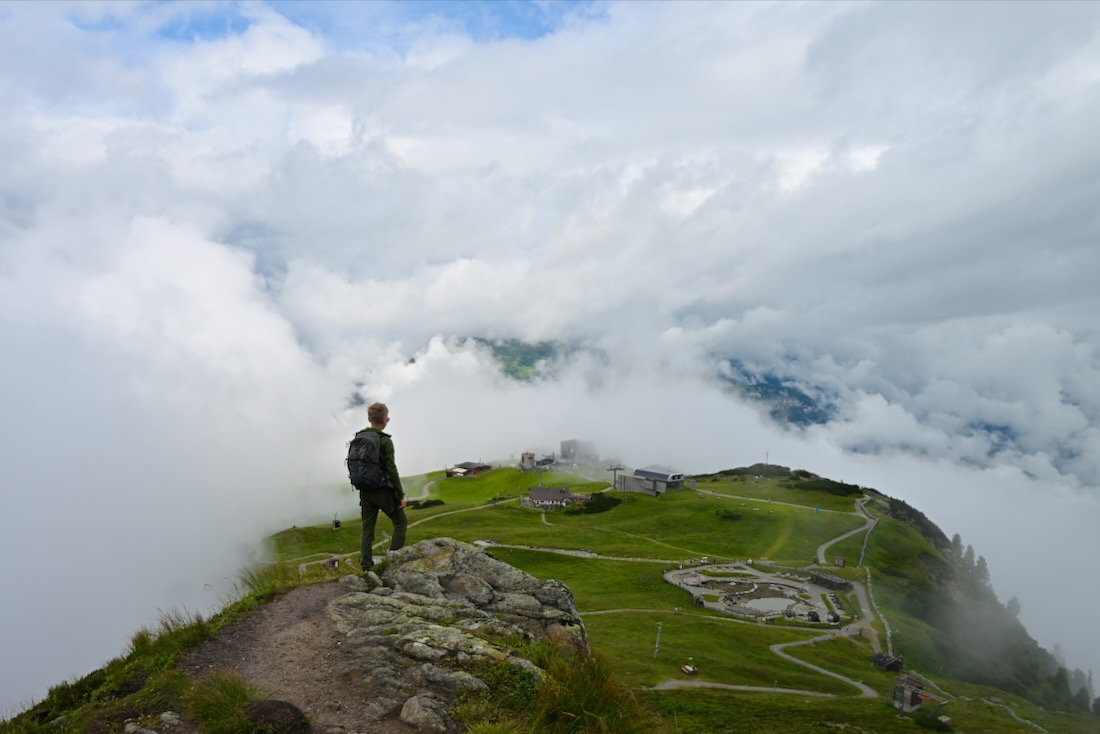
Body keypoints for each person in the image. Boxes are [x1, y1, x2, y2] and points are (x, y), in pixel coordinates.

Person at [356, 402, 408, 573]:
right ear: (385, 420)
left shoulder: (359, 438)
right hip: (382, 490)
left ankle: (366, 568)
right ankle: (393, 563)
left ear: (369, 419)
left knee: (367, 528)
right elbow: (391, 468)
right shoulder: (384, 441)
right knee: (401, 522)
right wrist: (400, 494)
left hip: (364, 489)